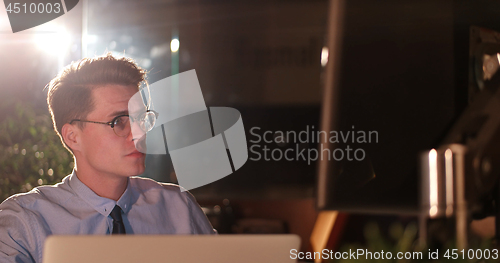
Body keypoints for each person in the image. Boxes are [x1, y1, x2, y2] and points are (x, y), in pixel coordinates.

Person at [0, 54, 216, 263]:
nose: (139, 133)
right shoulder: (26, 222)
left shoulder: (177, 208)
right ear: (73, 137)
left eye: (141, 118)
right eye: (119, 121)